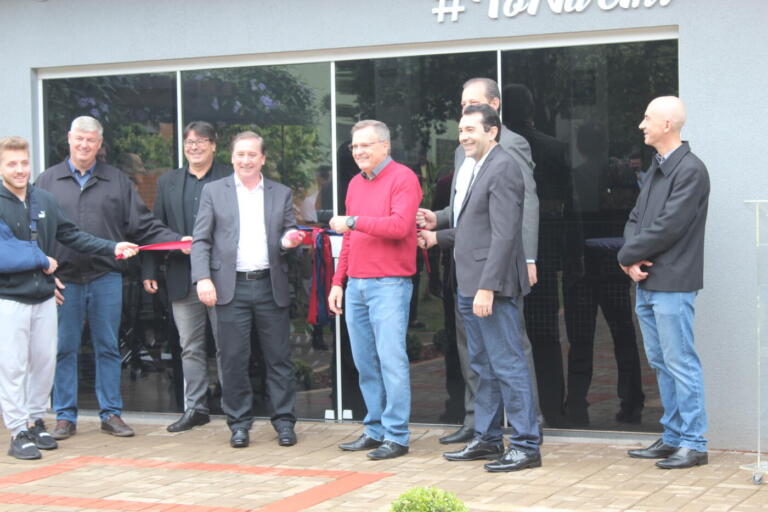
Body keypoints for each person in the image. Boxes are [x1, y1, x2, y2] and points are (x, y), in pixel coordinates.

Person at [35, 116, 183, 440]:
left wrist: (178, 240)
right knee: (64, 349)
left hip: (106, 278)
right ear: (69, 139)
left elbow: (143, 225)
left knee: (108, 348)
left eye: (91, 140)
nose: (84, 145)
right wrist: (44, 274)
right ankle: (64, 416)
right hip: (65, 281)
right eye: (79, 139)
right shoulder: (46, 182)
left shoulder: (117, 181)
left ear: (99, 145)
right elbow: (34, 233)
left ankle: (111, 414)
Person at [419, 104, 541, 472]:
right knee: (483, 365)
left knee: (508, 364)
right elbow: (475, 231)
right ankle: (487, 440)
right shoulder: (476, 167)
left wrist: (488, 288)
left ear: (493, 132)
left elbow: (505, 236)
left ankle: (525, 445)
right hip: (470, 285)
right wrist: (436, 237)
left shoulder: (503, 167)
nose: (464, 135)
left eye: (472, 128)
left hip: (492, 288)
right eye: (461, 130)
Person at [0, 136, 137, 460]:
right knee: (14, 368)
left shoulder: (43, 199)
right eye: (11, 164)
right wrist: (41, 260)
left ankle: (35, 422)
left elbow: (72, 235)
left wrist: (111, 247)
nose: (20, 170)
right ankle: (17, 430)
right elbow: (4, 252)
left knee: (44, 365)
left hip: (44, 298)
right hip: (10, 300)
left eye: (23, 163)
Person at [191, 131, 306, 449]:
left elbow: (287, 234)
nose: (245, 160)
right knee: (232, 359)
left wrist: (289, 240)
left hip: (270, 285)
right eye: (240, 154)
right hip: (230, 287)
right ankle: (239, 424)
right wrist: (202, 277)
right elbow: (201, 239)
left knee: (279, 359)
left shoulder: (280, 193)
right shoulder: (214, 191)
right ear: (231, 157)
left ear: (263, 159)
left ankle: (284, 421)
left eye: (252, 154)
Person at [619, 96, 710, 469]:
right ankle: (673, 436)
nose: (642, 124)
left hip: (673, 282)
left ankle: (694, 442)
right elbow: (636, 219)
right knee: (661, 362)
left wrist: (626, 256)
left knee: (680, 361)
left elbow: (669, 226)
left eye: (647, 118)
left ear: (668, 124)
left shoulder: (690, 170)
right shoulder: (658, 168)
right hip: (648, 281)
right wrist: (631, 260)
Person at [328, 120, 422, 461]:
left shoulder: (404, 178)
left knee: (391, 360)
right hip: (357, 285)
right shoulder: (355, 183)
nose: (359, 152)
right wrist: (339, 281)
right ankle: (375, 429)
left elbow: (399, 227)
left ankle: (397, 436)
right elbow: (349, 241)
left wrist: (353, 221)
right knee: (365, 362)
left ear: (385, 146)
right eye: (354, 147)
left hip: (390, 285)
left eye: (365, 145)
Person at [142, 121, 233, 432]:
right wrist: (150, 268)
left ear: (213, 146)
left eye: (201, 141)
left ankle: (234, 408)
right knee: (189, 346)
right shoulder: (168, 182)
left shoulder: (229, 178)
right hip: (183, 277)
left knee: (227, 344)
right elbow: (155, 227)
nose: (194, 147)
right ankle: (196, 408)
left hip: (223, 278)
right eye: (189, 142)